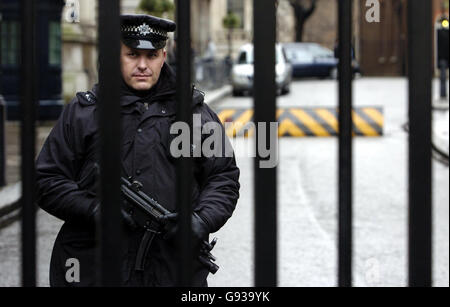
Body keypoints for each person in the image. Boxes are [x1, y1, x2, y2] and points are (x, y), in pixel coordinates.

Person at [35, 14, 240, 287]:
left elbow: (223, 178)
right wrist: (94, 209)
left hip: (172, 268)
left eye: (152, 55)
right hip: (95, 266)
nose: (142, 65)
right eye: (132, 54)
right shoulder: (84, 113)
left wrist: (201, 219)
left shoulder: (197, 115)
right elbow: (47, 179)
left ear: (164, 55)